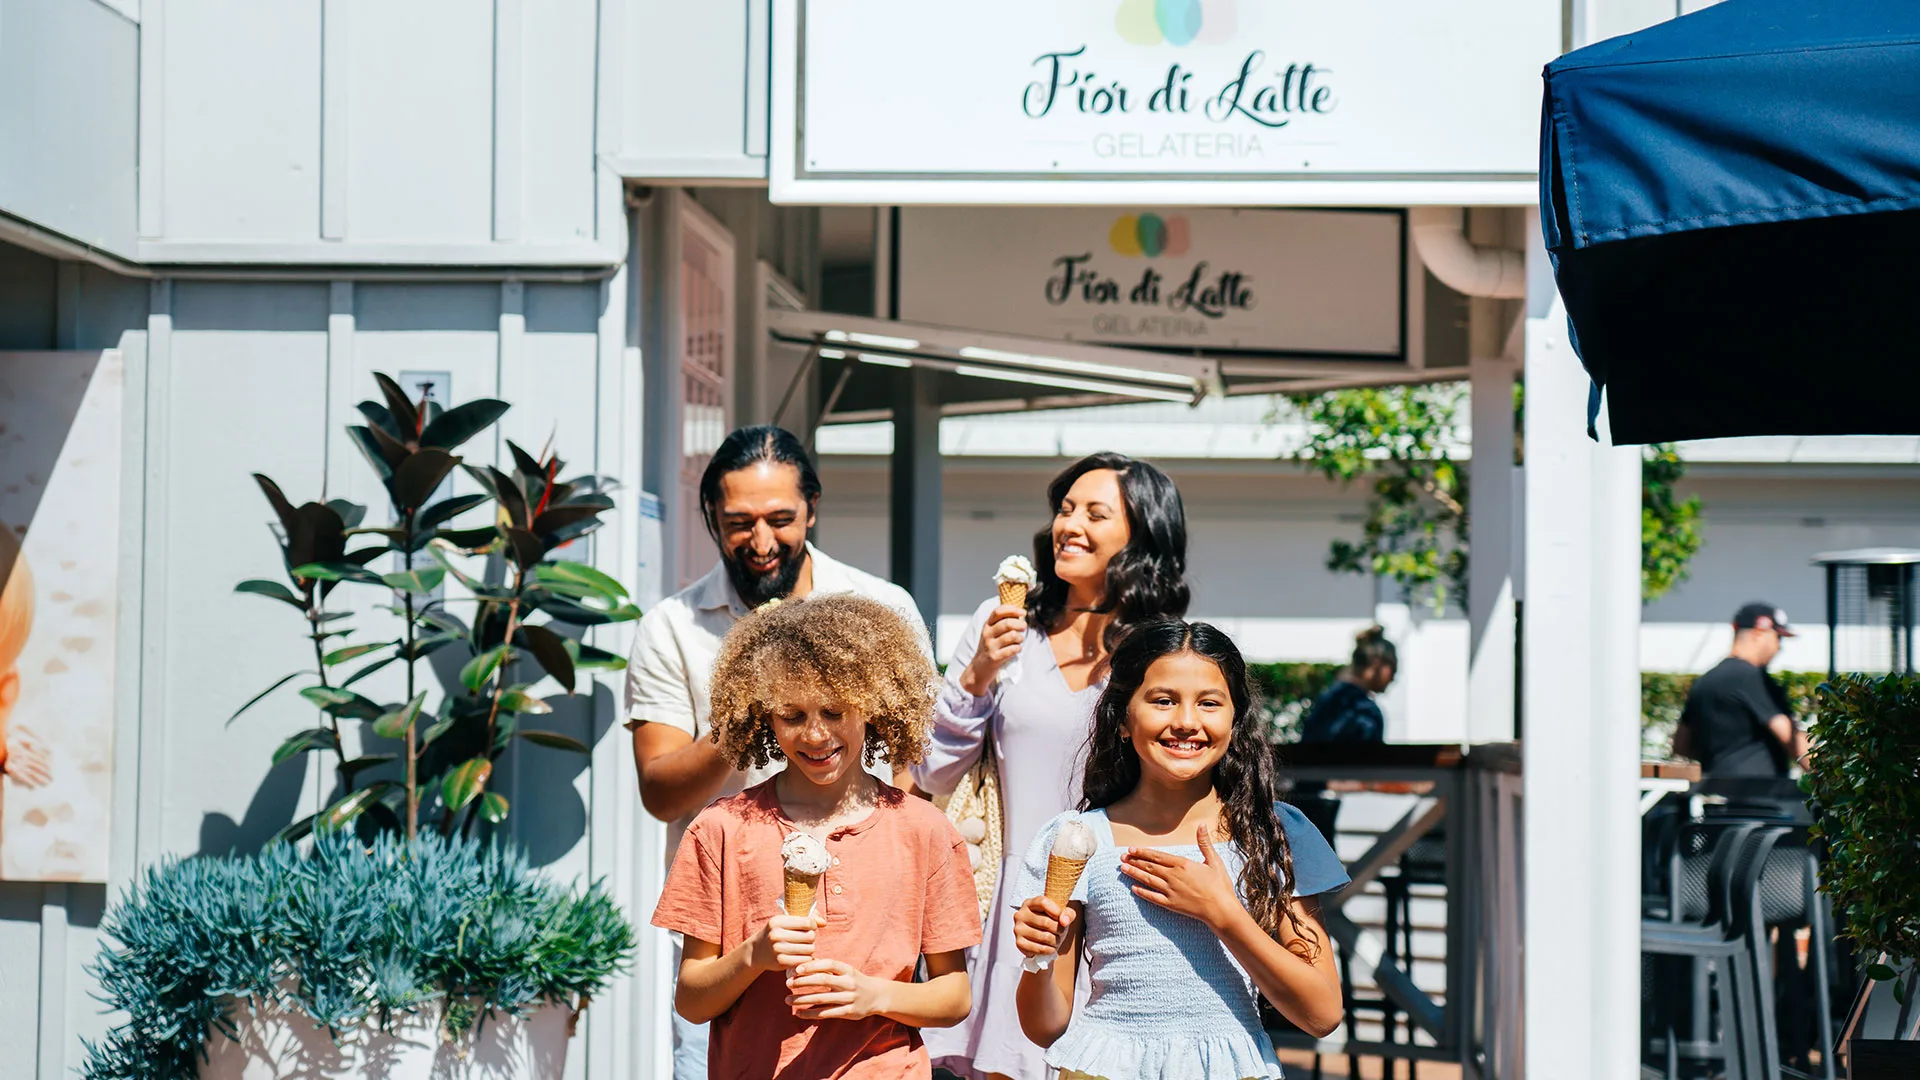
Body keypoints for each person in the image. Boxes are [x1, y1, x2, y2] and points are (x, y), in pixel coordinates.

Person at [626, 425, 931, 1080]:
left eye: (780, 519)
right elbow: (661, 792)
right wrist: (749, 712)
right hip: (733, 934)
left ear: (812, 509)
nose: (761, 543)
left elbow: (908, 768)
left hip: (868, 927)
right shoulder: (672, 628)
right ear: (711, 517)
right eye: (738, 522)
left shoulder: (882, 607)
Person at [912, 452, 1190, 1080]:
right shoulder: (1002, 625)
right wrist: (979, 672)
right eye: (1065, 510)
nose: (1071, 525)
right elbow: (932, 770)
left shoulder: (1161, 649)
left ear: (1141, 535)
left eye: (1096, 513)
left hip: (1121, 896)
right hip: (1009, 896)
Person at [650, 593, 982, 1079]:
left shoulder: (925, 831)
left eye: (833, 711)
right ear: (762, 715)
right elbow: (692, 1001)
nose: (815, 735)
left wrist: (874, 996)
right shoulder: (720, 830)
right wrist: (752, 956)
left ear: (872, 705)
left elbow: (954, 995)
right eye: (792, 716)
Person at [1010, 619, 1349, 1080]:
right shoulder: (1076, 839)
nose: (1187, 721)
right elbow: (1046, 1025)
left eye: (1209, 703)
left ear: (1235, 719)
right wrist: (1038, 957)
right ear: (1124, 718)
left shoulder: (1276, 835)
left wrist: (1223, 913)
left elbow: (1322, 1012)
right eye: (1163, 700)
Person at [1673, 602, 1809, 777]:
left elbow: (1681, 745)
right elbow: (1792, 740)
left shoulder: (1704, 681)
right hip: (1760, 797)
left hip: (1715, 791)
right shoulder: (1753, 678)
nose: (1779, 648)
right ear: (1760, 632)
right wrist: (1836, 779)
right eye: (1778, 638)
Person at [1299, 626, 1397, 746]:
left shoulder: (1327, 700)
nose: (1393, 678)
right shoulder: (1366, 711)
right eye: (1393, 669)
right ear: (1377, 664)